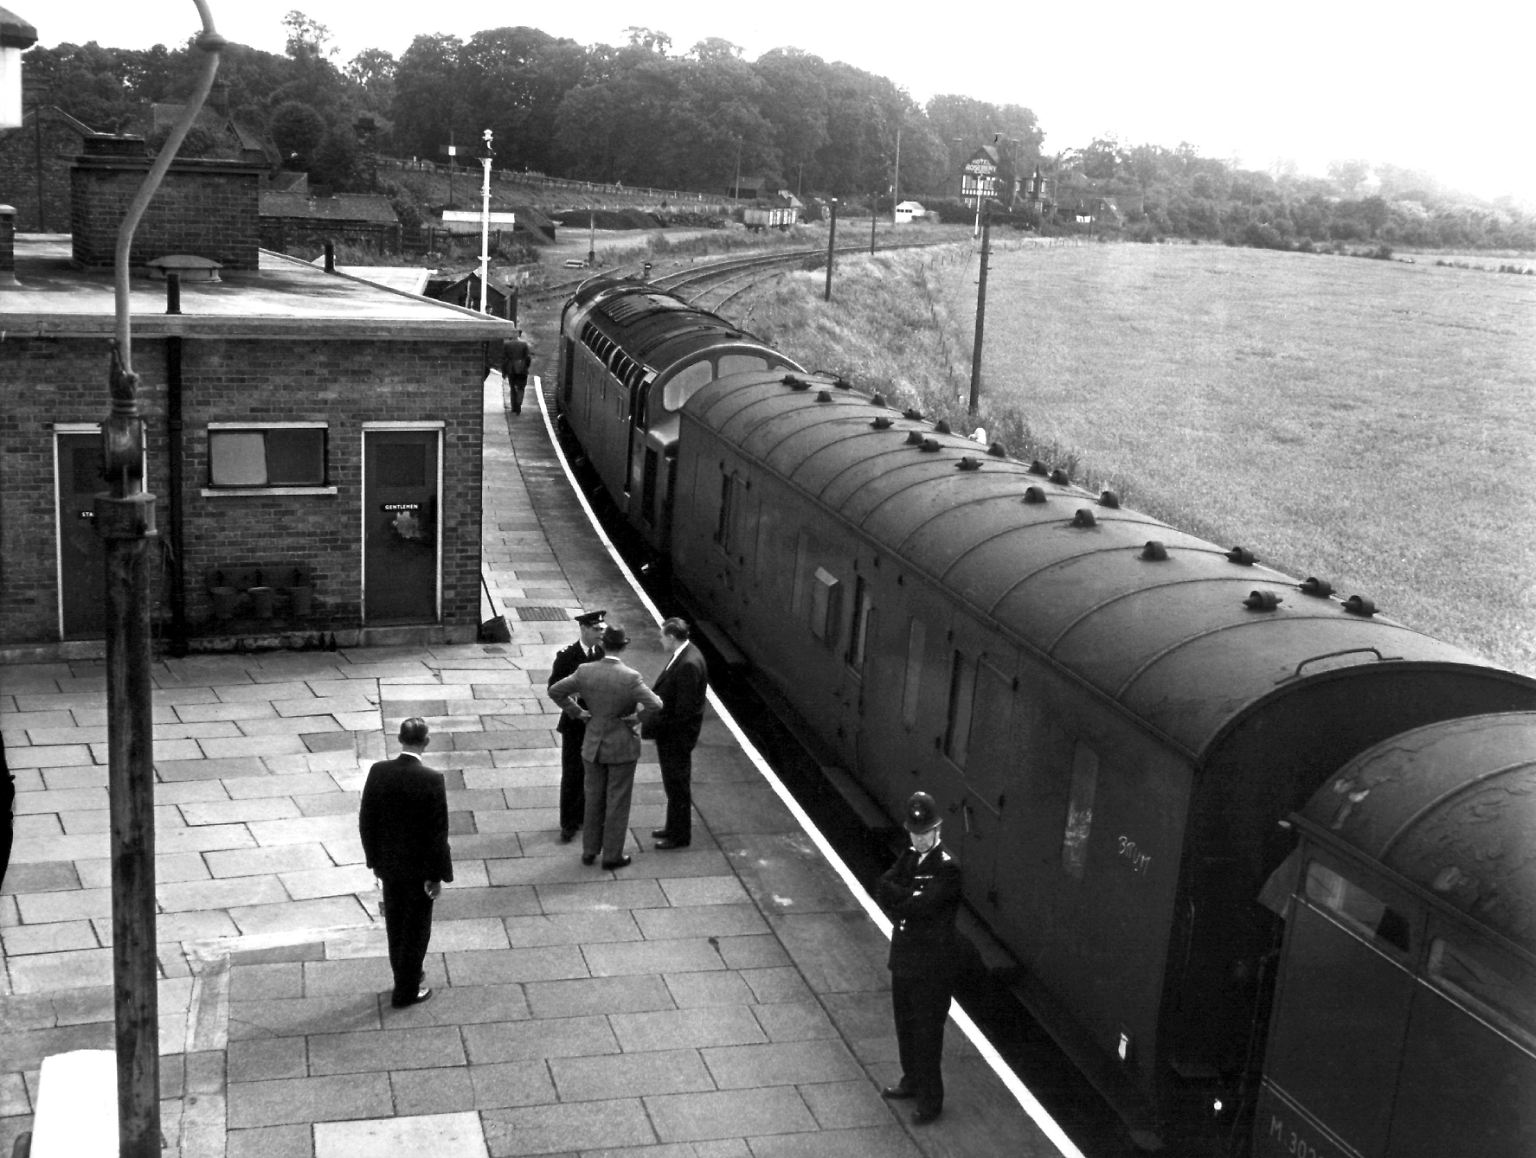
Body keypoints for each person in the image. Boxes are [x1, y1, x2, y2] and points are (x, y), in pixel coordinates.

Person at [876, 790, 962, 1126]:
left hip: (932, 967)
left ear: (937, 830)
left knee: (928, 1035)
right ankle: (910, 1082)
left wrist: (904, 898)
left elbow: (923, 907)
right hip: (904, 960)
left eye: (925, 832)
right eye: (914, 832)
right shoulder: (910, 858)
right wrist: (907, 896)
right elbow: (883, 885)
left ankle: (931, 1101)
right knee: (906, 1027)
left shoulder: (948, 869)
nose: (919, 838)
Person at [549, 623, 661, 871]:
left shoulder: (585, 671)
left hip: (592, 745)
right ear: (623, 646)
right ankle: (612, 856)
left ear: (602, 644)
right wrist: (636, 719)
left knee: (593, 799)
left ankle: (589, 851)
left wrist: (578, 712)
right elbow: (655, 705)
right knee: (617, 801)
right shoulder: (630, 677)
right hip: (621, 746)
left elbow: (555, 691)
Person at [359, 718, 453, 1008]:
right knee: (417, 929)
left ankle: (404, 976)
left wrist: (374, 860)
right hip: (419, 869)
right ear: (426, 741)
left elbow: (366, 820)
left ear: (400, 739)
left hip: (388, 866)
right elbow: (438, 833)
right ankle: (407, 989)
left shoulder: (379, 771)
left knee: (396, 926)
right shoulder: (432, 779)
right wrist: (436, 875)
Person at [647, 618, 708, 849]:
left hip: (676, 738)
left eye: (662, 636)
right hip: (675, 736)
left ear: (672, 637)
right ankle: (672, 827)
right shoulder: (687, 654)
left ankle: (679, 836)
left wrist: (653, 724)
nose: (660, 639)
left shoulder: (688, 664)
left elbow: (683, 711)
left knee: (677, 786)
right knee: (673, 785)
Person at [547, 609, 606, 842]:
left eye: (602, 629)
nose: (600, 634)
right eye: (595, 630)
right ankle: (568, 822)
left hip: (596, 723)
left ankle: (583, 814)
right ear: (583, 629)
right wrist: (577, 710)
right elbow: (554, 689)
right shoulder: (567, 657)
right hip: (575, 724)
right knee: (572, 773)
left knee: (592, 771)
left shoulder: (601, 653)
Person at [501, 328, 533, 414]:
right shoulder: (524, 344)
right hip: (522, 369)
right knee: (521, 387)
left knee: (512, 387)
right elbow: (528, 358)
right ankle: (519, 403)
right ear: (519, 334)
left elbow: (504, 359)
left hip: (511, 368)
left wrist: (504, 372)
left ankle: (513, 406)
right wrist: (526, 366)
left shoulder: (506, 345)